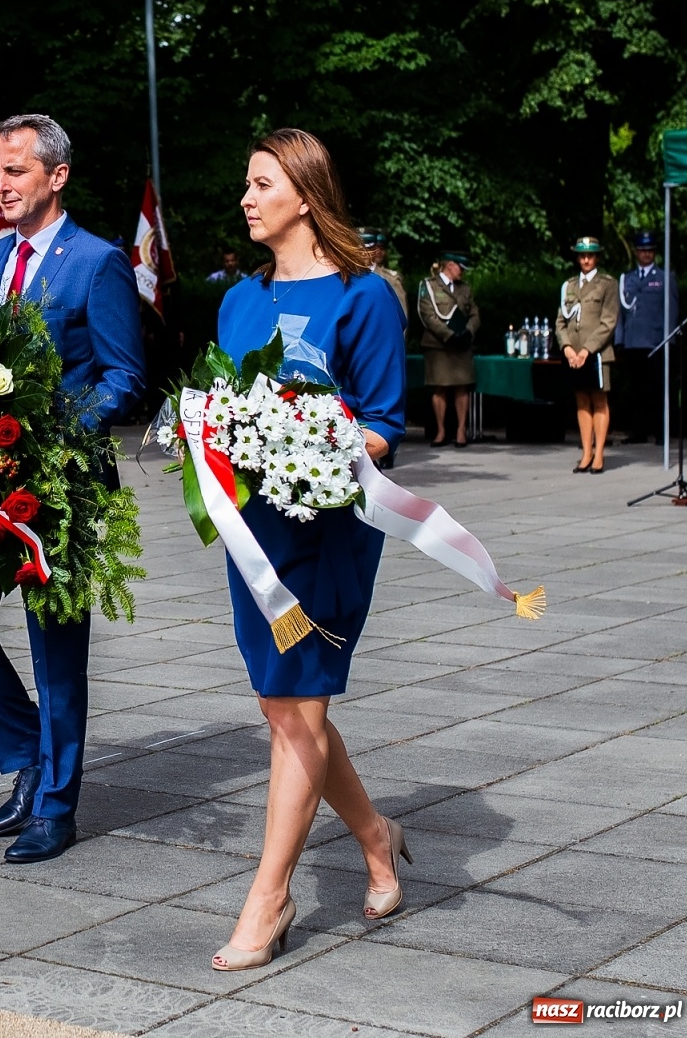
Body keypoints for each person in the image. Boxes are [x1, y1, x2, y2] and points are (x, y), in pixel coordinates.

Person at [211, 128, 408, 971]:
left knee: (298, 705)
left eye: (261, 184)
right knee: (285, 704)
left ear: (304, 192)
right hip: (253, 534)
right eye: (247, 185)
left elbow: (384, 430)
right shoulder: (236, 301)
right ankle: (375, 833)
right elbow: (217, 412)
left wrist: (313, 441)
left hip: (328, 533)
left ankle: (270, 895)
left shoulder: (366, 297)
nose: (248, 199)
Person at [0, 114, 145, 864]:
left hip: (61, 487)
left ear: (56, 176)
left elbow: (124, 375)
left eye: (16, 170)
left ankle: (55, 807)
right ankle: (29, 758)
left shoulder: (98, 262)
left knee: (58, 654)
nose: (2, 183)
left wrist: (51, 433)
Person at [555, 237, 618, 474]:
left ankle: (599, 453)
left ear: (597, 257)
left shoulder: (607, 284)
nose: (586, 259)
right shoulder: (569, 286)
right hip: (574, 354)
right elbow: (561, 322)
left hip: (597, 352)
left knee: (599, 400)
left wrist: (586, 350)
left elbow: (609, 321)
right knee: (581, 400)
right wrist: (568, 347)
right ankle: (586, 452)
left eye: (590, 255)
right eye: (582, 255)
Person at [615, 230, 681, 444]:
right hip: (634, 341)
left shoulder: (665, 278)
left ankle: (661, 432)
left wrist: (669, 340)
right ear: (636, 253)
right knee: (636, 390)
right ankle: (638, 431)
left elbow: (672, 311)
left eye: (650, 250)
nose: (646, 254)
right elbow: (620, 313)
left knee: (658, 391)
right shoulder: (627, 279)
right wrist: (620, 340)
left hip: (656, 342)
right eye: (643, 251)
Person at [415, 251, 480, 447]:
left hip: (462, 345)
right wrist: (449, 335)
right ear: (450, 265)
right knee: (440, 387)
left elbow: (475, 314)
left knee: (462, 387)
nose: (463, 272)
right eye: (461, 267)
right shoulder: (429, 286)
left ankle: (461, 430)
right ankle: (441, 430)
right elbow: (427, 314)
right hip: (439, 345)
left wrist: (468, 332)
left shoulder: (465, 288)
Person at [360, 228, 407, 315]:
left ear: (374, 250)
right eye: (360, 249)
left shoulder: (390, 279)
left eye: (367, 249)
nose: (363, 253)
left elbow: (401, 316)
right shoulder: (347, 277)